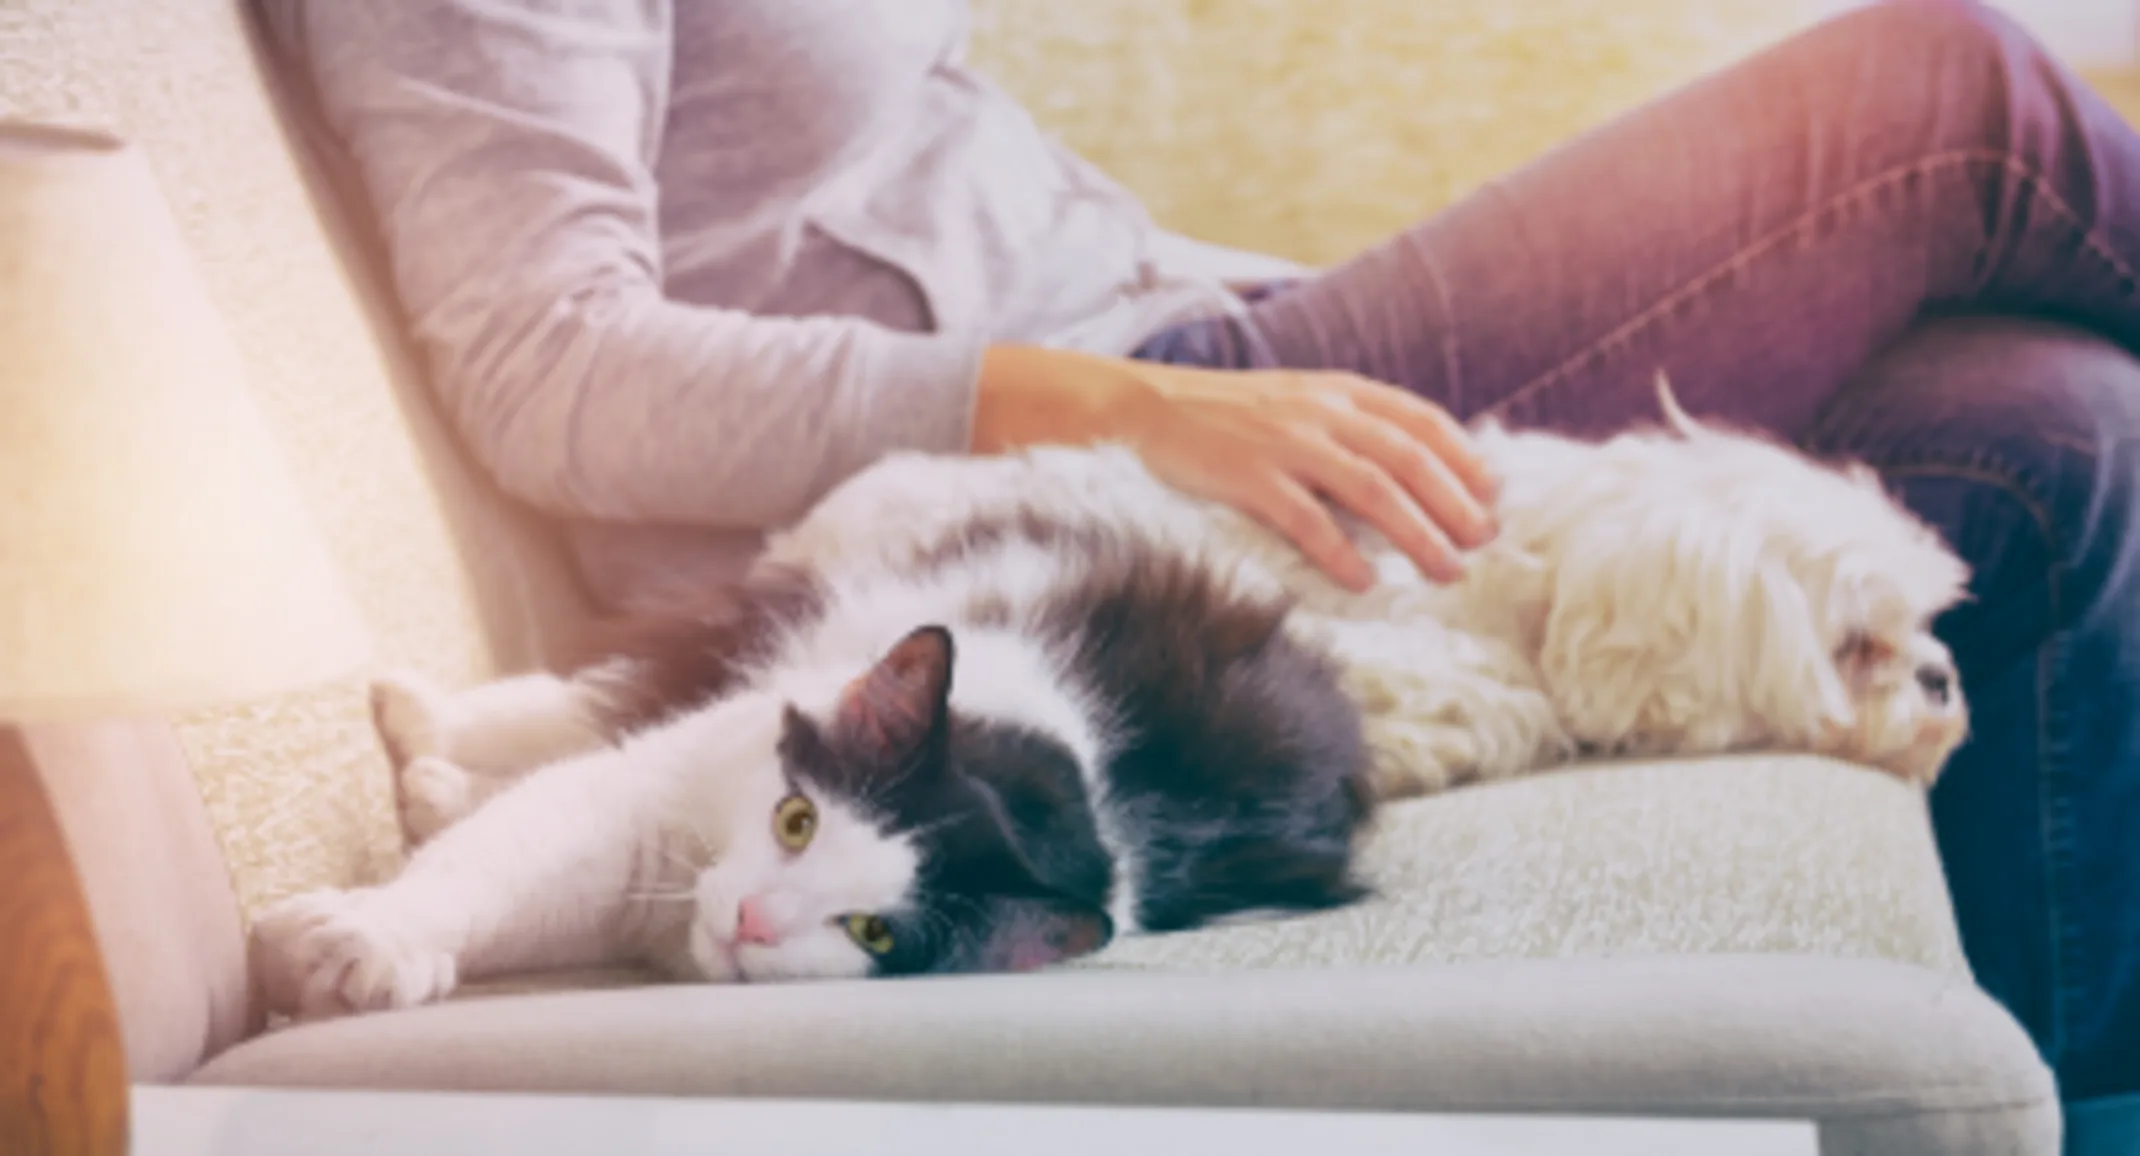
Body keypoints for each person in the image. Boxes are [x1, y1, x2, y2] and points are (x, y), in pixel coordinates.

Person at [259, 0, 2136, 1146]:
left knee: (2045, 428)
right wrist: (1141, 401)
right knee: (1947, 88)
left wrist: (1238, 313)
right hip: (1116, 460)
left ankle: (2067, 1097)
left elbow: (962, 190)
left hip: (1195, 354)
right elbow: (549, 370)